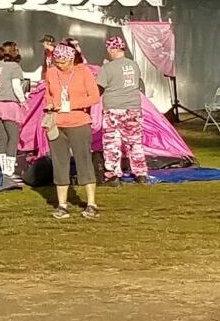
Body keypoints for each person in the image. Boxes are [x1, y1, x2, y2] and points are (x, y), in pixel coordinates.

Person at [41, 42, 99, 221]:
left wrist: (71, 105)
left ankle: (91, 203)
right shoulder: (51, 73)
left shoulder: (83, 72)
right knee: (60, 163)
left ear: (71, 59)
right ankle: (62, 205)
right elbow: (48, 95)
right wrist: (50, 105)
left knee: (84, 161)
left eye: (63, 62)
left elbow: (94, 97)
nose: (60, 65)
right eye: (57, 61)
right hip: (57, 123)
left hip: (79, 122)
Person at [94, 36, 148, 184]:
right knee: (135, 142)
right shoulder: (134, 65)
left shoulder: (107, 68)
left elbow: (98, 89)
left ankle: (113, 174)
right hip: (133, 108)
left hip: (113, 109)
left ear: (112, 49)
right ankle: (141, 173)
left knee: (112, 142)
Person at [0, 41, 22, 190]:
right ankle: (9, 170)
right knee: (13, 137)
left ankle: (2, 167)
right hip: (9, 104)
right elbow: (17, 87)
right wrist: (23, 101)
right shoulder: (14, 67)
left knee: (2, 137)